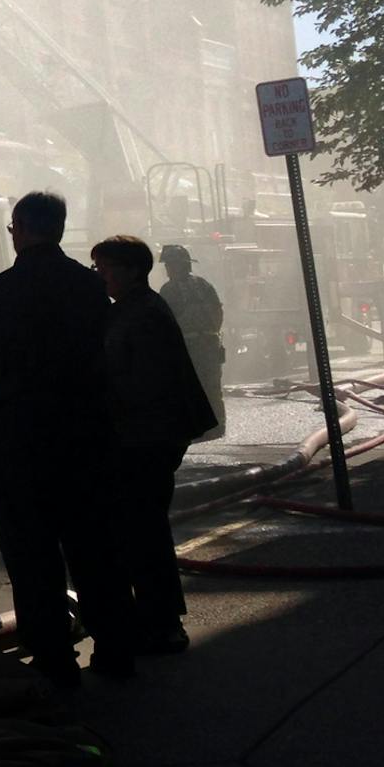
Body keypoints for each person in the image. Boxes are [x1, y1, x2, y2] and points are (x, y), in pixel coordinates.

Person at [0, 191, 138, 688]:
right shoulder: (90, 286)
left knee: (32, 552)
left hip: (21, 444)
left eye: (12, 227)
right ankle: (116, 648)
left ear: (20, 227)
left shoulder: (4, 289)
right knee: (95, 545)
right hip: (88, 438)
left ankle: (55, 659)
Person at [94, 235, 219, 655]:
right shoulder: (137, 308)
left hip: (146, 438)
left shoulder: (143, 313)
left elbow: (138, 384)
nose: (100, 276)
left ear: (131, 270)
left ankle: (162, 621)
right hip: (149, 435)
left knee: (143, 530)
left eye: (105, 268)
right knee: (142, 529)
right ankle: (156, 617)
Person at [159, 244, 227, 440]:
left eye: (170, 265)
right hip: (210, 342)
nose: (168, 270)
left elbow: (166, 320)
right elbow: (218, 313)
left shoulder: (169, 289)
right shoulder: (204, 285)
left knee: (190, 386)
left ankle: (199, 425)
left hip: (189, 345)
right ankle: (217, 425)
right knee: (211, 385)